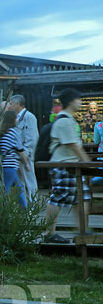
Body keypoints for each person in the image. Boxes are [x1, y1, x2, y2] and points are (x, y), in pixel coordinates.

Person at [44, 88, 91, 244]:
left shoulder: (68, 119)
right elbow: (73, 145)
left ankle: (83, 229)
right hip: (64, 164)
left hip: (71, 164)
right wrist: (87, 162)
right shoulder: (64, 120)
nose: (80, 102)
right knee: (57, 197)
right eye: (78, 99)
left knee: (82, 197)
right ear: (71, 101)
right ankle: (49, 232)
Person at [7, 94, 39, 201]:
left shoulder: (28, 117)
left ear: (18, 104)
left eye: (11, 104)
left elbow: (32, 138)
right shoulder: (16, 118)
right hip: (16, 157)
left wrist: (25, 154)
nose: (10, 106)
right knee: (20, 183)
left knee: (30, 182)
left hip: (26, 156)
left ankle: (33, 207)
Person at [0, 110, 30, 208]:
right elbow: (20, 150)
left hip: (5, 165)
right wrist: (27, 164)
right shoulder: (13, 131)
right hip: (10, 166)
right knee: (6, 191)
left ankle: (23, 211)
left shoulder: (2, 132)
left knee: (19, 188)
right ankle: (0, 212)